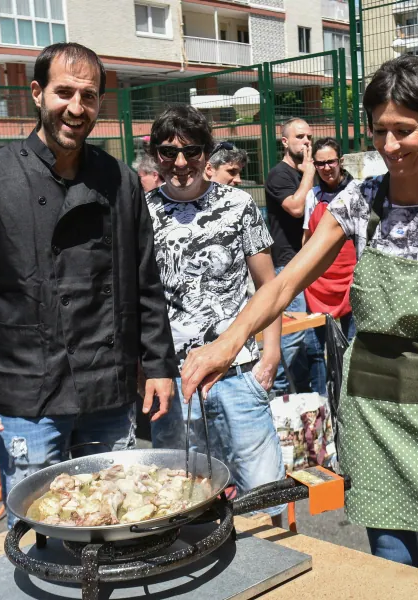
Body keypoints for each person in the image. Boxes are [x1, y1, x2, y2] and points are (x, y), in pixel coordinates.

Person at [180, 56, 418, 588]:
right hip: (372, 410)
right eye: (380, 131)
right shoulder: (361, 199)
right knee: (393, 578)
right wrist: (227, 342)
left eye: (405, 130)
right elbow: (283, 284)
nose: (391, 146)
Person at [0, 43, 177, 525]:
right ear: (36, 93)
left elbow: (145, 280)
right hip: (28, 391)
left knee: (118, 516)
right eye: (63, 92)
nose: (76, 107)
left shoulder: (120, 179)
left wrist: (157, 364)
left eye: (88, 96)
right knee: (40, 528)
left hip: (107, 389)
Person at [145, 106, 285, 515]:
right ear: (156, 155)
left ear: (207, 153)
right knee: (182, 498)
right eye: (168, 153)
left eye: (191, 151)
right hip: (177, 380)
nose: (181, 163)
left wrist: (271, 354)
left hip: (239, 375)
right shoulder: (143, 212)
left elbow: (269, 285)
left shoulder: (239, 205)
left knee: (264, 496)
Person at [264, 117, 317, 394]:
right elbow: (295, 208)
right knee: (292, 339)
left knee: (312, 343)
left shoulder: (308, 172)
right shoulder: (280, 175)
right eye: (300, 137)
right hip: (288, 264)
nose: (306, 142)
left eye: (309, 137)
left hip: (311, 264)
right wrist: (309, 173)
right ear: (285, 142)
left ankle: (307, 407)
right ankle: (280, 401)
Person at [302, 138, 357, 395]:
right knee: (314, 348)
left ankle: (349, 397)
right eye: (320, 163)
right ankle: (322, 400)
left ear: (340, 161)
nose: (326, 168)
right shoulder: (312, 197)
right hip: (318, 285)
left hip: (350, 282)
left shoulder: (357, 191)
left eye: (330, 162)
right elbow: (307, 240)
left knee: (351, 346)